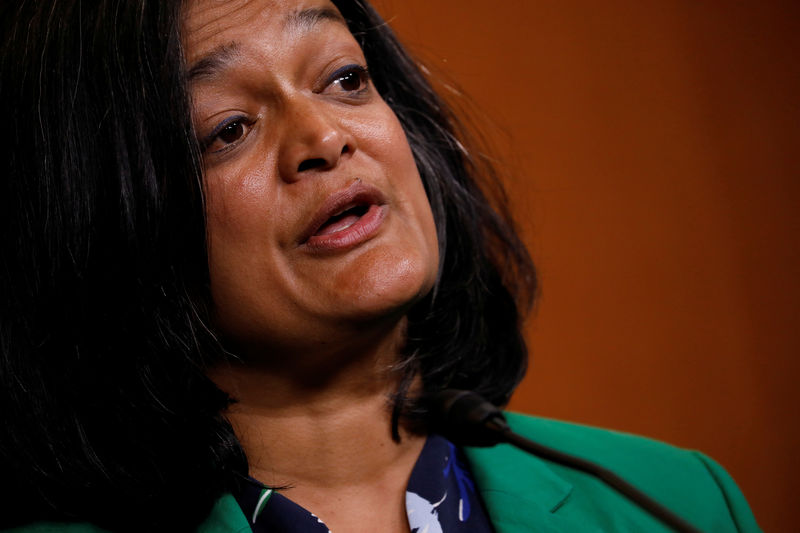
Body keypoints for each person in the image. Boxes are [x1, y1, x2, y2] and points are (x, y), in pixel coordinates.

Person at [0, 1, 759, 532]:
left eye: (344, 78)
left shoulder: (678, 501)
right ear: (107, 224)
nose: (323, 136)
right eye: (230, 127)